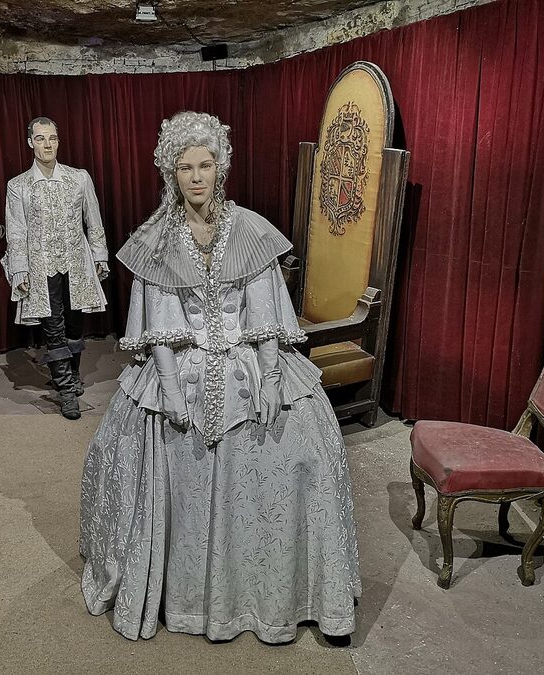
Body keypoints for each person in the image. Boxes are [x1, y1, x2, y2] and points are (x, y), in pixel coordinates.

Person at [79, 111, 361, 643]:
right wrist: (167, 389)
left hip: (248, 359)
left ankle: (289, 593)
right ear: (171, 172)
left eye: (205, 164)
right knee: (156, 453)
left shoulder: (250, 230)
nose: (196, 176)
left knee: (303, 449)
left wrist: (273, 374)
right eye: (185, 167)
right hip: (180, 366)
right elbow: (160, 329)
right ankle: (184, 597)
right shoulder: (156, 241)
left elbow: (264, 314)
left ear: (220, 167)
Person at [0, 116, 110, 420]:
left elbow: (94, 218)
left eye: (52, 138)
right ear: (30, 142)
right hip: (41, 265)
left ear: (58, 140)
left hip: (76, 262)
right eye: (40, 138)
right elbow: (17, 230)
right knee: (54, 327)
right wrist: (19, 270)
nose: (47, 144)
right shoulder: (18, 185)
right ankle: (64, 389)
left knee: (75, 324)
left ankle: (73, 377)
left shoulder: (79, 178)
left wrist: (100, 256)